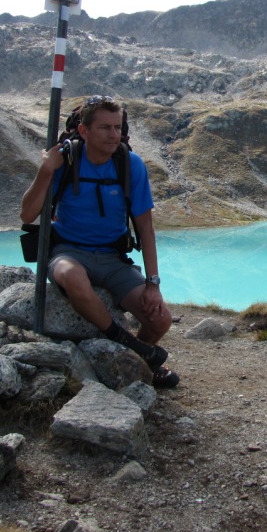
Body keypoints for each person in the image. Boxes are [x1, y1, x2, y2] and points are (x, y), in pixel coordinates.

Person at [20, 96, 178, 388]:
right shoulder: (65, 161)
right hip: (68, 252)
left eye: (118, 127)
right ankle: (128, 344)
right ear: (84, 130)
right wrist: (45, 170)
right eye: (105, 127)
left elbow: (146, 228)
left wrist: (153, 284)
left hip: (112, 259)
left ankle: (138, 361)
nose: (114, 134)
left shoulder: (130, 164)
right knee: (72, 276)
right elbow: (28, 215)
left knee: (161, 320)